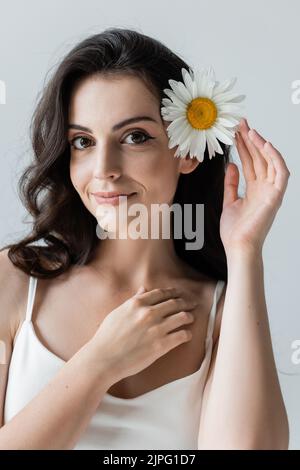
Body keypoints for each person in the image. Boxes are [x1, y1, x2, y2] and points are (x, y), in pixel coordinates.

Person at [0, 27, 290, 449]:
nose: (103, 169)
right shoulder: (14, 281)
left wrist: (245, 252)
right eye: (82, 141)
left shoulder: (220, 314)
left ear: (187, 151)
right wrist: (102, 362)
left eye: (135, 137)